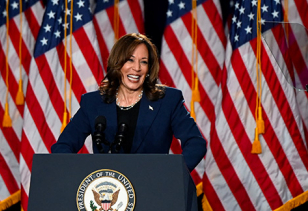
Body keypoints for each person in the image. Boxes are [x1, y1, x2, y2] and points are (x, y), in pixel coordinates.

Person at [51, 33, 206, 172]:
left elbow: (195, 143)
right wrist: (85, 175)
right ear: (118, 64)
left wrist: (170, 174)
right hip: (107, 192)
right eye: (130, 60)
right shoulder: (94, 103)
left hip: (153, 191)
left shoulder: (167, 101)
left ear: (149, 68)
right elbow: (62, 147)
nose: (137, 68)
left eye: (143, 62)